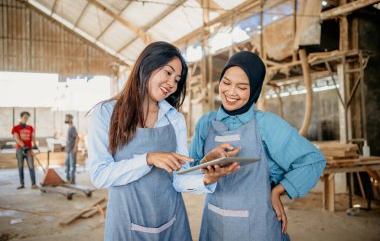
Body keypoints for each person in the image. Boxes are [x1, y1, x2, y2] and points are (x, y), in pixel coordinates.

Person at [88, 41, 238, 241]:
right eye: (168, 73)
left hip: (172, 224)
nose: (172, 84)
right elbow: (100, 174)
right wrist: (148, 159)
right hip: (125, 225)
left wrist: (208, 177)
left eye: (177, 80)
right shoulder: (106, 113)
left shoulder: (174, 118)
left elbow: (178, 178)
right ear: (147, 65)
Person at [189, 51, 326, 241]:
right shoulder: (205, 123)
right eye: (226, 83)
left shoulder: (266, 124)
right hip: (214, 225)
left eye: (242, 87)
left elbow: (313, 160)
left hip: (257, 226)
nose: (231, 92)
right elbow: (190, 171)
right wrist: (205, 164)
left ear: (254, 89)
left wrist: (279, 190)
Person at [11, 111, 38, 189]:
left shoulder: (30, 127)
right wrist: (23, 146)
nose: (26, 118)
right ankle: (22, 184)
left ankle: (33, 184)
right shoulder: (15, 128)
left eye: (27, 117)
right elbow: (16, 138)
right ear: (21, 117)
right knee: (20, 166)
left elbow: (33, 137)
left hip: (29, 149)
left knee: (31, 166)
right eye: (25, 117)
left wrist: (35, 145)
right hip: (20, 149)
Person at [65, 114, 78, 184]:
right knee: (67, 165)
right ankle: (68, 179)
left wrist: (75, 148)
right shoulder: (69, 127)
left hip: (72, 150)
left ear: (70, 119)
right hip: (68, 150)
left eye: (66, 118)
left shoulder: (72, 128)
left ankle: (72, 180)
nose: (65, 119)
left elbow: (77, 137)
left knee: (72, 165)